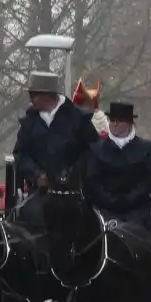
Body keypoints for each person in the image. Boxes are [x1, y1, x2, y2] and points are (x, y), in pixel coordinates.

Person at [11, 71, 100, 229]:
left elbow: (92, 152)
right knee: (30, 216)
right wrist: (36, 175)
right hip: (41, 193)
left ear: (48, 95)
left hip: (74, 193)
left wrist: (72, 174)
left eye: (34, 94)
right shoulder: (29, 122)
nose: (31, 99)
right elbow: (20, 154)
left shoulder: (78, 119)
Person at [82, 101, 151, 237]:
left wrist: (129, 199)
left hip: (136, 210)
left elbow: (150, 180)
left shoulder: (145, 149)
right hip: (103, 209)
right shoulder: (96, 149)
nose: (114, 124)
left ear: (130, 123)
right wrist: (110, 200)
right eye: (112, 120)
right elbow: (92, 180)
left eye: (119, 121)